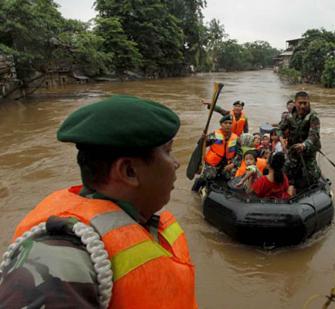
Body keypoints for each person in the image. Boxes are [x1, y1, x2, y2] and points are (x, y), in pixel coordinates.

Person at [0, 96, 196, 308]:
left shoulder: (145, 221)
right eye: (168, 152)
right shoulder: (59, 253)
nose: (176, 163)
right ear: (129, 172)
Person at [277, 91, 321, 190]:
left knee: (312, 177)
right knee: (285, 172)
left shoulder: (313, 116)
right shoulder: (289, 116)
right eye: (300, 103)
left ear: (308, 103)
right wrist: (281, 139)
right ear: (295, 103)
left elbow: (314, 135)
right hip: (293, 150)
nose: (302, 106)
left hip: (308, 151)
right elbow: (279, 129)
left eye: (305, 103)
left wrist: (304, 145)